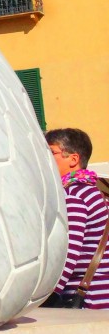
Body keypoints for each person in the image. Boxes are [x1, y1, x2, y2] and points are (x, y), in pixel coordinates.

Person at [45, 128, 109, 308]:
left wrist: (49, 295)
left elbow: (68, 251)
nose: (45, 158)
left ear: (73, 159)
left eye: (51, 152)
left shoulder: (73, 194)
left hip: (86, 301)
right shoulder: (95, 193)